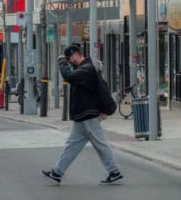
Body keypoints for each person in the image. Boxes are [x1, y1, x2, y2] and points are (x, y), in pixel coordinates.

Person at [41, 45, 123, 186]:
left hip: (88, 115)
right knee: (71, 146)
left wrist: (61, 62)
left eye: (69, 58)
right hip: (82, 115)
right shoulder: (84, 69)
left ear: (76, 54)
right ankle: (57, 173)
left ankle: (115, 172)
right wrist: (101, 108)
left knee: (100, 144)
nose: (68, 61)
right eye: (66, 59)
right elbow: (96, 91)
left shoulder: (86, 69)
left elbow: (69, 77)